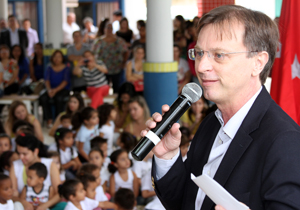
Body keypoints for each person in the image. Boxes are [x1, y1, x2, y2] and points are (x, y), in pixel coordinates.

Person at [144, 5, 300, 210]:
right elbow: (184, 202)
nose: (201, 67)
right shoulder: (210, 123)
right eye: (199, 53)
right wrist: (167, 157)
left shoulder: (284, 141)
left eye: (219, 55)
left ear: (258, 63)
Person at [10, 134, 61, 209]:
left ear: (36, 151)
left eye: (24, 154)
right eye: (19, 153)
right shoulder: (15, 166)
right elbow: (10, 194)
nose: (21, 157)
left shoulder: (50, 165)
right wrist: (23, 202)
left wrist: (44, 205)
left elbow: (59, 193)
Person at [92, 22, 128, 94]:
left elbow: (126, 52)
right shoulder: (98, 41)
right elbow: (93, 54)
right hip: (103, 69)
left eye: (110, 28)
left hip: (117, 68)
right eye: (107, 28)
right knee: (104, 87)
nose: (109, 30)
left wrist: (124, 63)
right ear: (104, 29)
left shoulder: (119, 40)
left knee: (117, 88)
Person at [39, 50, 71, 127]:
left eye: (59, 57)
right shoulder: (49, 67)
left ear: (62, 58)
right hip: (51, 89)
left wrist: (55, 90)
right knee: (43, 98)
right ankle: (48, 120)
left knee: (59, 98)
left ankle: (58, 120)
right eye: (55, 57)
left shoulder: (66, 68)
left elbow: (65, 82)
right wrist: (49, 90)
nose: (57, 59)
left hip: (62, 89)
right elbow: (47, 80)